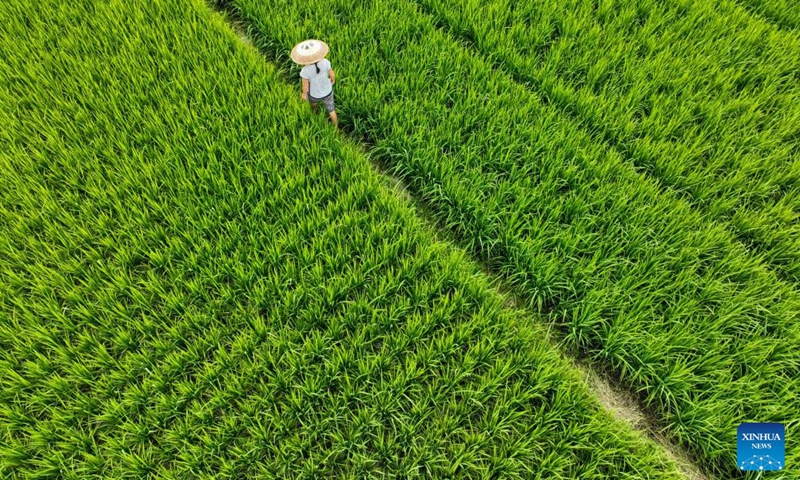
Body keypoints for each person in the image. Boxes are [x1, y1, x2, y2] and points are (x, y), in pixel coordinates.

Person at [290, 39, 338, 127]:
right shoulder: (325, 62)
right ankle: (336, 128)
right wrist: (332, 80)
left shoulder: (305, 71)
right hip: (328, 91)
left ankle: (316, 111)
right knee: (332, 110)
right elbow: (332, 74)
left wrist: (304, 95)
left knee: (313, 103)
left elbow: (305, 86)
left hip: (314, 94)